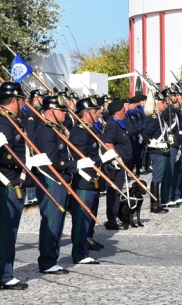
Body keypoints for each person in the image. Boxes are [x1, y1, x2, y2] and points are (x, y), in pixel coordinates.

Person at [0, 82, 47, 290]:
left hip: (15, 181)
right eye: (22, 100)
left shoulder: (12, 120)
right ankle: (3, 275)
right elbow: (2, 153)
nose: (24, 103)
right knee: (4, 230)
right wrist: (25, 162)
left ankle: (6, 272)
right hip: (6, 183)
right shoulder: (2, 121)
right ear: (15, 100)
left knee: (10, 230)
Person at [32, 94, 74, 274]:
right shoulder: (47, 130)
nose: (65, 114)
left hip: (60, 178)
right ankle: (47, 261)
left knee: (58, 220)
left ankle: (52, 258)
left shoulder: (57, 128)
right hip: (51, 179)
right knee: (52, 220)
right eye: (61, 111)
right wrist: (75, 165)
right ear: (50, 112)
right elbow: (53, 160)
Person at [68, 98, 103, 264]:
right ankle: (79, 253)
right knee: (81, 219)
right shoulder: (80, 132)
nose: (98, 113)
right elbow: (81, 157)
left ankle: (83, 249)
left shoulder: (90, 129)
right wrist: (101, 158)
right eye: (95, 111)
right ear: (86, 113)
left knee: (88, 218)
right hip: (83, 179)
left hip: (92, 180)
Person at [102, 99, 132, 230]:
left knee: (118, 191)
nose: (125, 110)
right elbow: (108, 143)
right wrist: (117, 158)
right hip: (116, 164)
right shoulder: (112, 124)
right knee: (114, 191)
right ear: (118, 111)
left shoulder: (119, 123)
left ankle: (116, 216)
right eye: (123, 109)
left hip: (122, 163)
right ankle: (112, 219)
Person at [143, 90, 171, 213]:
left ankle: (157, 202)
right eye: (162, 102)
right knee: (157, 178)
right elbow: (146, 135)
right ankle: (154, 204)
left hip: (162, 151)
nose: (164, 104)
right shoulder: (154, 118)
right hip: (157, 152)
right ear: (156, 104)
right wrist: (157, 143)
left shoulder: (160, 117)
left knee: (159, 178)